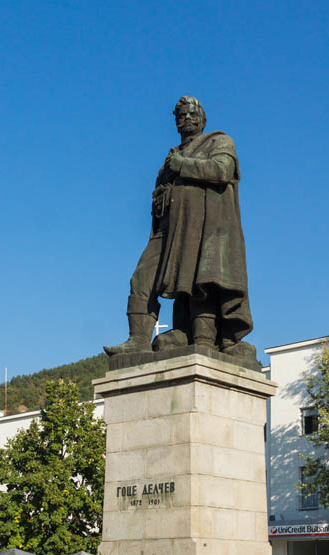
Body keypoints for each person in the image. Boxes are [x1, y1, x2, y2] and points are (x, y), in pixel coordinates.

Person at [104, 96, 254, 360]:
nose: (186, 118)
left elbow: (222, 170)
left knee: (200, 280)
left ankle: (203, 335)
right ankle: (138, 339)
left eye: (192, 114)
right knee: (141, 277)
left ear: (202, 119)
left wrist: (181, 166)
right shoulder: (170, 157)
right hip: (167, 230)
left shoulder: (219, 141)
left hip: (204, 228)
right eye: (181, 115)